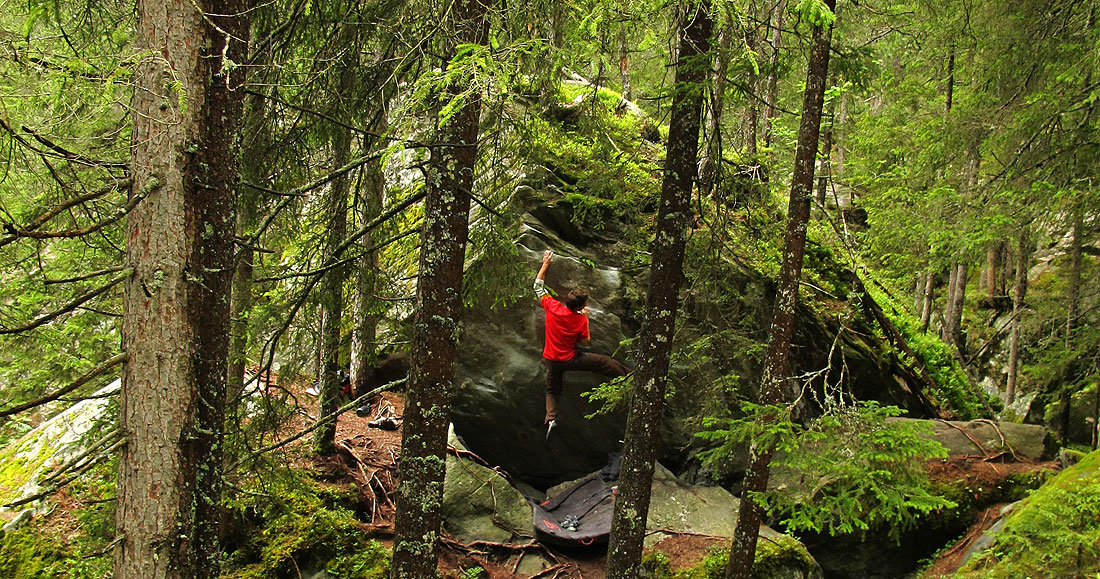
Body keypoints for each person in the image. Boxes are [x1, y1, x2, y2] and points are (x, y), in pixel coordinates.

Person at [534, 250, 630, 437]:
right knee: (603, 362)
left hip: (551, 360)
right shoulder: (579, 321)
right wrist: (585, 319)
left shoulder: (553, 308)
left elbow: (537, 286)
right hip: (571, 360)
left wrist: (546, 263)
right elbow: (586, 343)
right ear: (579, 308)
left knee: (552, 389)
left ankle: (551, 418)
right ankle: (631, 376)